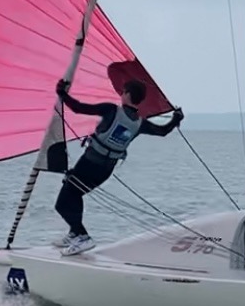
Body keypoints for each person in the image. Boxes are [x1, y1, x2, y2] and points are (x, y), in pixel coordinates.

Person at [52, 77, 183, 256]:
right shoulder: (140, 123)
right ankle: (75, 233)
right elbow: (163, 131)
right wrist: (176, 118)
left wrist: (61, 93)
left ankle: (83, 236)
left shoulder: (111, 110)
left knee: (62, 203)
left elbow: (79, 108)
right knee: (75, 194)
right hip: (105, 171)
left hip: (89, 164)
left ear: (127, 94)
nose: (121, 94)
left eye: (123, 91)